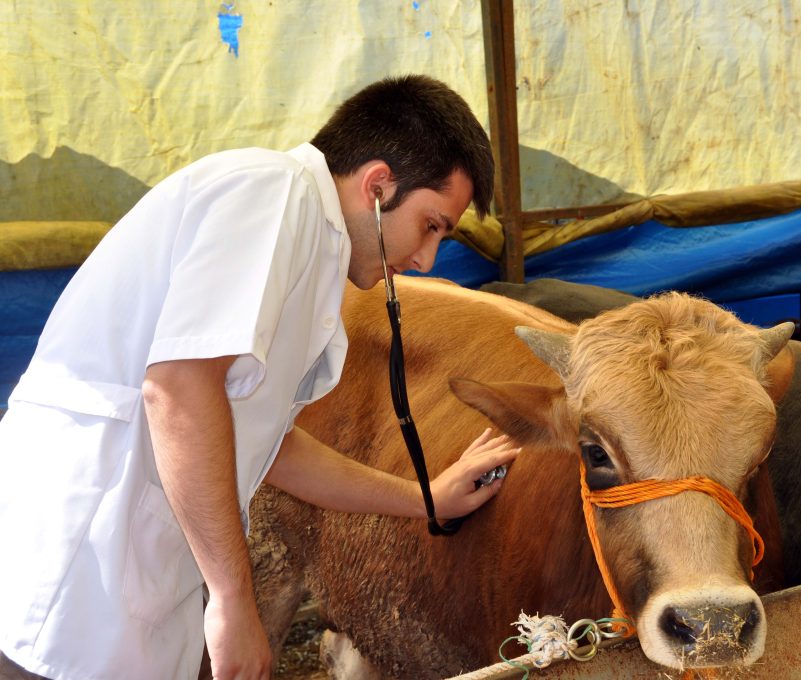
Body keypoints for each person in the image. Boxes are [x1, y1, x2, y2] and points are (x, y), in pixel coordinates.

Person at [0, 75, 518, 680]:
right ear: (378, 187)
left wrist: (425, 497)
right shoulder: (272, 195)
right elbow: (179, 390)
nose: (428, 260)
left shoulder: (309, 249)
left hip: (126, 589)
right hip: (67, 585)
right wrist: (233, 598)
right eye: (433, 225)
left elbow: (269, 444)